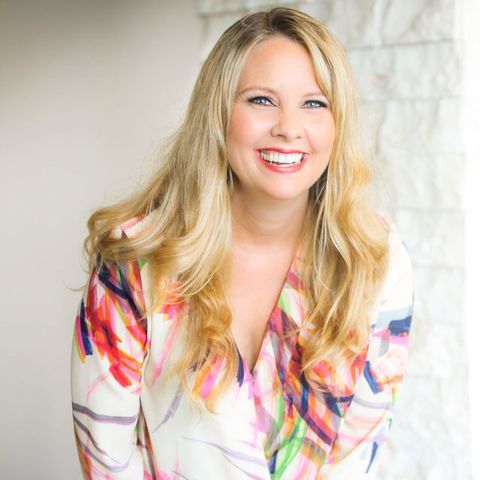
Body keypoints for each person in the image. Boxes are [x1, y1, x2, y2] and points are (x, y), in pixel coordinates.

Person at [71, 7, 413, 479]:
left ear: (338, 124)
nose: (289, 127)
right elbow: (107, 458)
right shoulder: (136, 260)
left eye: (314, 103)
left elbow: (358, 454)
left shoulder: (374, 258)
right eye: (261, 100)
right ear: (218, 114)